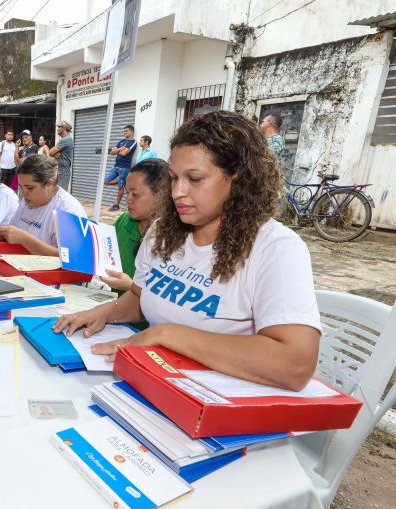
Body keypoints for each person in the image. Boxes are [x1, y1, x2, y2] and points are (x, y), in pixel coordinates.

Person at [53, 111, 321, 392]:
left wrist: (166, 334)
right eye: (173, 178)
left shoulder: (275, 249)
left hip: (217, 400)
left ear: (238, 179)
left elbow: (295, 364)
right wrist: (108, 311)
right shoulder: (163, 231)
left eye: (194, 179)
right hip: (151, 380)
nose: (178, 192)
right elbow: (141, 297)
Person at [0, 154, 86, 256]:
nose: (24, 193)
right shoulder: (26, 201)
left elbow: (71, 256)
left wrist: (25, 239)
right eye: (21, 187)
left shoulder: (69, 210)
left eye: (29, 188)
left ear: (49, 184)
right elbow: (13, 230)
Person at [100, 158, 167, 294]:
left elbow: (167, 303)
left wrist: (131, 286)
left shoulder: (172, 238)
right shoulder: (124, 221)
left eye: (135, 194)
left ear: (161, 195)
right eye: (127, 192)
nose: (128, 200)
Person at [103, 125, 137, 212]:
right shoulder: (121, 141)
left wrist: (118, 150)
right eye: (124, 131)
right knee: (105, 181)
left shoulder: (133, 142)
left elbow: (125, 153)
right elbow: (112, 152)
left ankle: (116, 205)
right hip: (116, 166)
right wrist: (120, 149)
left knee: (121, 187)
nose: (124, 132)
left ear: (132, 132)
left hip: (124, 168)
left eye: (126, 131)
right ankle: (122, 181)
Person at [48, 120, 74, 191]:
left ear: (64, 128)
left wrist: (54, 153)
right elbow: (52, 153)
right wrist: (55, 154)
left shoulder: (66, 139)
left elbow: (50, 152)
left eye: (59, 127)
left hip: (62, 173)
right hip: (60, 172)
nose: (57, 129)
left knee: (60, 195)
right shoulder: (65, 139)